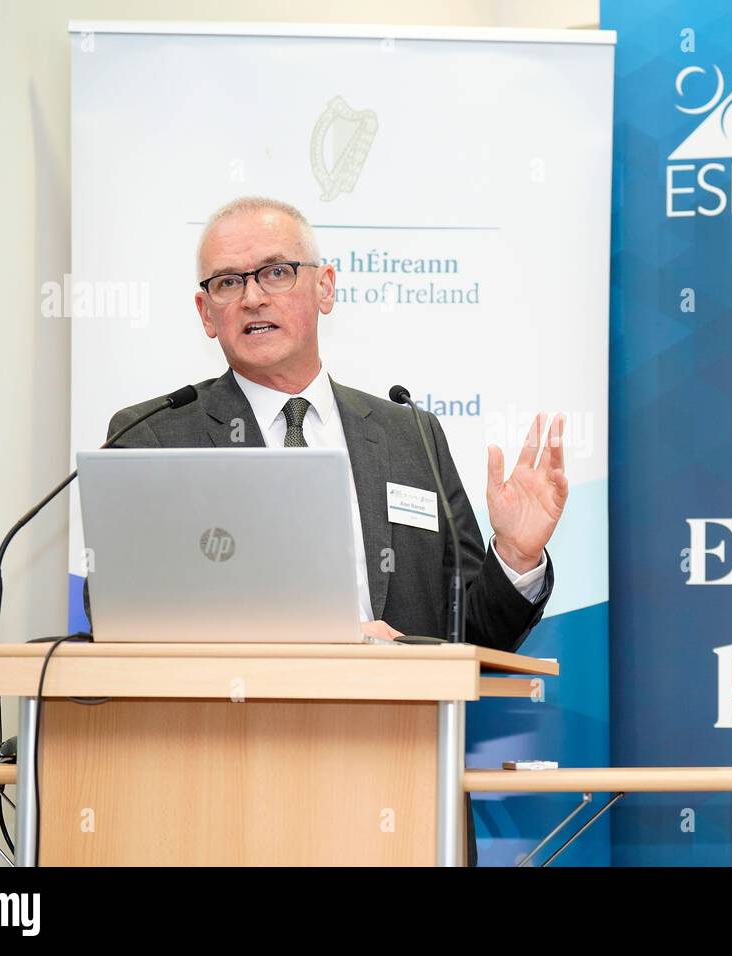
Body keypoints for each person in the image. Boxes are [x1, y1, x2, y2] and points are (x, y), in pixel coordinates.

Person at [92, 196, 569, 864]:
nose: (254, 296)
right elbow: (123, 610)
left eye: (277, 272)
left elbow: (468, 633)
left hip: (400, 781)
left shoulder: (410, 435)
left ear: (325, 287)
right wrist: (322, 635)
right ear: (206, 314)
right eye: (229, 282)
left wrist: (517, 554)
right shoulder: (153, 435)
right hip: (221, 786)